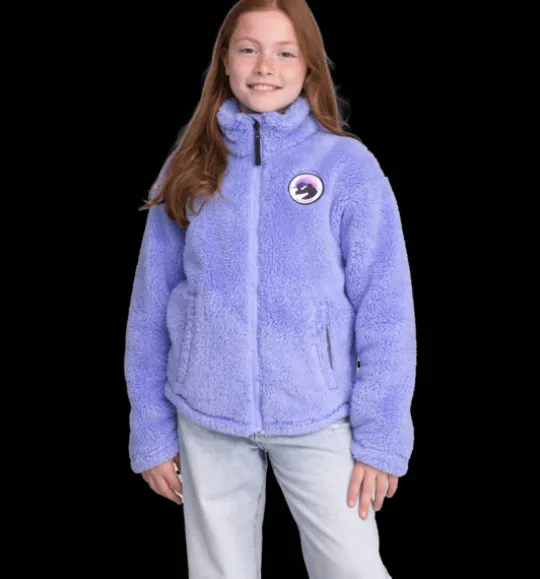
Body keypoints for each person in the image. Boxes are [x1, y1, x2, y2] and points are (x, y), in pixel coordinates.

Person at [124, 0, 416, 577]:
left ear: (309, 67)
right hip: (206, 415)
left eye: (285, 52)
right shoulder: (190, 162)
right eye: (248, 49)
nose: (265, 67)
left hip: (318, 413)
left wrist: (382, 435)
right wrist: (151, 428)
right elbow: (150, 304)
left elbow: (386, 309)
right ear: (224, 61)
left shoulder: (346, 166)